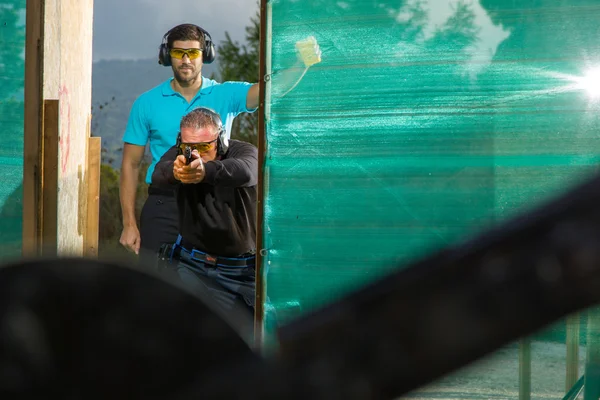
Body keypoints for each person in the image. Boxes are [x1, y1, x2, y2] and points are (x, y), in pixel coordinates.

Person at [118, 23, 321, 268]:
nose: (185, 60)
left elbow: (272, 91)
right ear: (166, 55)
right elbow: (130, 164)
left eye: (192, 53)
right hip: (165, 203)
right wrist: (129, 223)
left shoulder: (227, 94)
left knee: (210, 289)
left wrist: (302, 62)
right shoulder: (146, 103)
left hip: (214, 202)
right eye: (178, 52)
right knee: (157, 289)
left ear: (205, 54)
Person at [152, 106, 258, 342]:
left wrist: (205, 173)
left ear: (220, 140)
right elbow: (159, 173)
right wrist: (175, 171)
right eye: (189, 147)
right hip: (194, 265)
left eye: (203, 147)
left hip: (241, 271)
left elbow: (246, 171)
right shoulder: (179, 155)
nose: (195, 153)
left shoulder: (242, 151)